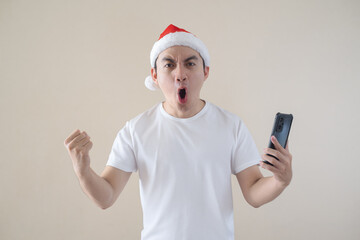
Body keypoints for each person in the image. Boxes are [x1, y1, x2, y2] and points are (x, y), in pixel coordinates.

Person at [64, 24, 293, 240]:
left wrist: (280, 181)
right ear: (154, 75)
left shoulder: (231, 125)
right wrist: (82, 170)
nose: (180, 74)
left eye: (190, 64)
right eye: (169, 65)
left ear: (206, 72)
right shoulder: (136, 130)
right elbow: (107, 196)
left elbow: (253, 193)